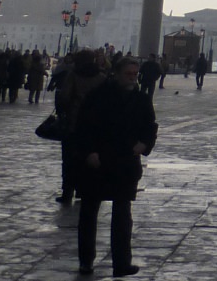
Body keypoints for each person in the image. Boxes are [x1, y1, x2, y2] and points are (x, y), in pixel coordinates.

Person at [72, 55, 156, 277]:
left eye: (134, 74)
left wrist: (144, 144)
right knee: (89, 213)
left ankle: (121, 263)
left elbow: (150, 126)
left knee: (122, 214)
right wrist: (89, 152)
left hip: (125, 162)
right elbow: (83, 127)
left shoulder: (141, 99)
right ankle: (86, 260)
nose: (132, 78)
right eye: (128, 74)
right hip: (98, 161)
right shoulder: (98, 96)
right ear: (117, 74)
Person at [54, 51, 105, 208]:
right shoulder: (101, 77)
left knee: (69, 159)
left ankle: (67, 191)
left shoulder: (73, 75)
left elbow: (64, 97)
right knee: (90, 156)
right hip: (96, 124)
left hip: (74, 122)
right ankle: (84, 190)